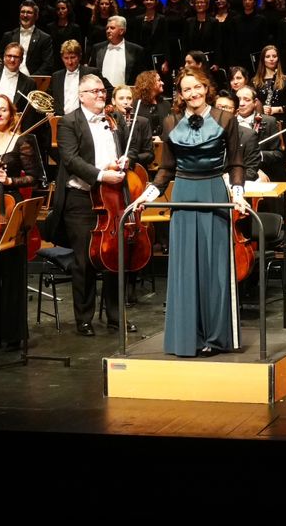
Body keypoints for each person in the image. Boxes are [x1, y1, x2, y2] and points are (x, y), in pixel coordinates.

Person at [128, 69, 251, 356]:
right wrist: (145, 196)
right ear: (180, 94)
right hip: (183, 194)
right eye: (187, 89)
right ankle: (188, 337)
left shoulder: (225, 119)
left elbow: (235, 163)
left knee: (215, 268)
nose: (193, 93)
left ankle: (216, 337)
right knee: (186, 267)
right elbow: (166, 170)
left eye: (198, 87)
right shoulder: (171, 122)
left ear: (206, 89)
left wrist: (237, 194)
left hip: (213, 193)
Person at [55, 75, 145, 335]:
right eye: (93, 91)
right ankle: (84, 318)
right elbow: (70, 159)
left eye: (102, 91)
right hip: (81, 199)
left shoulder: (113, 119)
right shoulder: (69, 122)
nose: (100, 95)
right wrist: (99, 174)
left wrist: (127, 159)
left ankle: (116, 316)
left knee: (114, 259)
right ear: (81, 95)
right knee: (84, 261)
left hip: (113, 197)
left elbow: (132, 150)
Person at [0, 94, 42, 350]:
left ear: (11, 114)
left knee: (12, 273)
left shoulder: (21, 141)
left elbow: (35, 178)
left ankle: (13, 335)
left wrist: (11, 181)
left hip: (11, 209)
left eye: (3, 110)